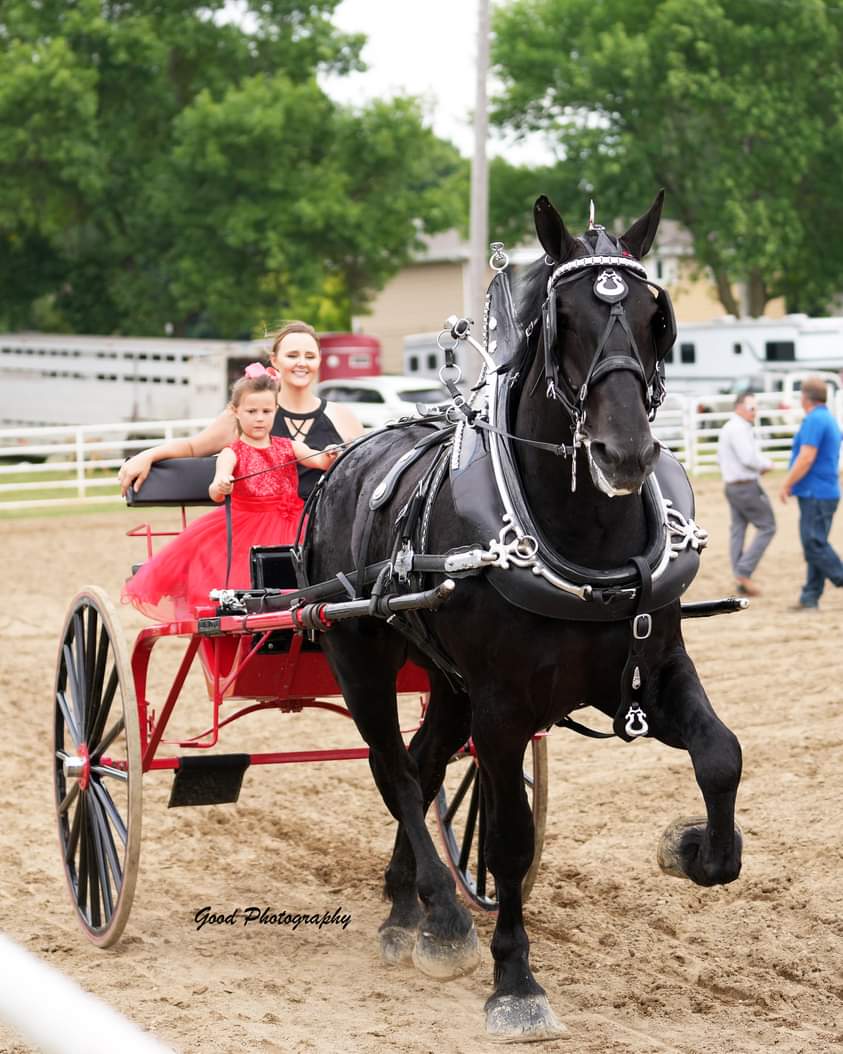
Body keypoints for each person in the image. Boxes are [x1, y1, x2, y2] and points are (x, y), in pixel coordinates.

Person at [122, 365, 337, 621]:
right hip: (247, 524)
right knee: (239, 573)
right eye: (252, 411)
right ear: (236, 411)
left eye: (266, 411)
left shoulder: (289, 446)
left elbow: (320, 461)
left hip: (293, 522)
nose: (259, 418)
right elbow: (216, 487)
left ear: (275, 411)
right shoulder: (232, 452)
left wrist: (331, 453)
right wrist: (222, 483)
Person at [118, 321, 364, 501]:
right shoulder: (248, 414)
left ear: (319, 360)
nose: (301, 363)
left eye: (309, 356)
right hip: (264, 533)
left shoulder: (343, 418)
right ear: (275, 360)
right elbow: (194, 447)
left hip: (331, 537)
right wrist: (147, 455)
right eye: (292, 355)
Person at [778, 376, 843, 610]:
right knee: (817, 543)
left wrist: (786, 483)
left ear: (805, 398)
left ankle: (835, 580)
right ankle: (810, 597)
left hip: (816, 492)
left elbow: (807, 457)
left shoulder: (815, 420)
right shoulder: (828, 419)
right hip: (823, 491)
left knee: (813, 544)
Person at [717, 391, 776, 596]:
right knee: (768, 526)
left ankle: (739, 574)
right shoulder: (739, 428)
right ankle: (743, 572)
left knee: (738, 529)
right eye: (752, 408)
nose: (755, 412)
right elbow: (748, 458)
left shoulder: (732, 427)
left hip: (734, 485)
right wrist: (766, 465)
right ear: (739, 407)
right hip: (745, 486)